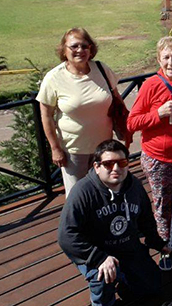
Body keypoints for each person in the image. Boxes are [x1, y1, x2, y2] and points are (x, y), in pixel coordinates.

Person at [57, 140, 165, 306]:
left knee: (153, 287)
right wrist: (98, 258)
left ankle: (125, 277)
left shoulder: (134, 186)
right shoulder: (83, 192)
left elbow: (146, 220)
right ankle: (101, 305)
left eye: (122, 163)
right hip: (96, 251)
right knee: (104, 275)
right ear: (97, 167)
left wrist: (159, 243)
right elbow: (66, 236)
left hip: (127, 246)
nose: (116, 168)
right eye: (108, 164)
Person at [127, 37, 172, 269]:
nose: (171, 62)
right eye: (166, 57)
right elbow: (132, 123)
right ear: (159, 60)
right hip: (159, 158)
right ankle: (165, 248)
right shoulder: (151, 85)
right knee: (163, 204)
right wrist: (158, 114)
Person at [38, 27, 121, 193]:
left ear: (91, 49)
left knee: (104, 192)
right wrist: (55, 148)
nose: (80, 50)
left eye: (84, 46)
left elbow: (117, 99)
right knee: (78, 195)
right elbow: (46, 116)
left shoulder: (101, 69)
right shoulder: (54, 77)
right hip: (73, 151)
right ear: (64, 50)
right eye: (74, 46)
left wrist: (122, 128)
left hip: (104, 148)